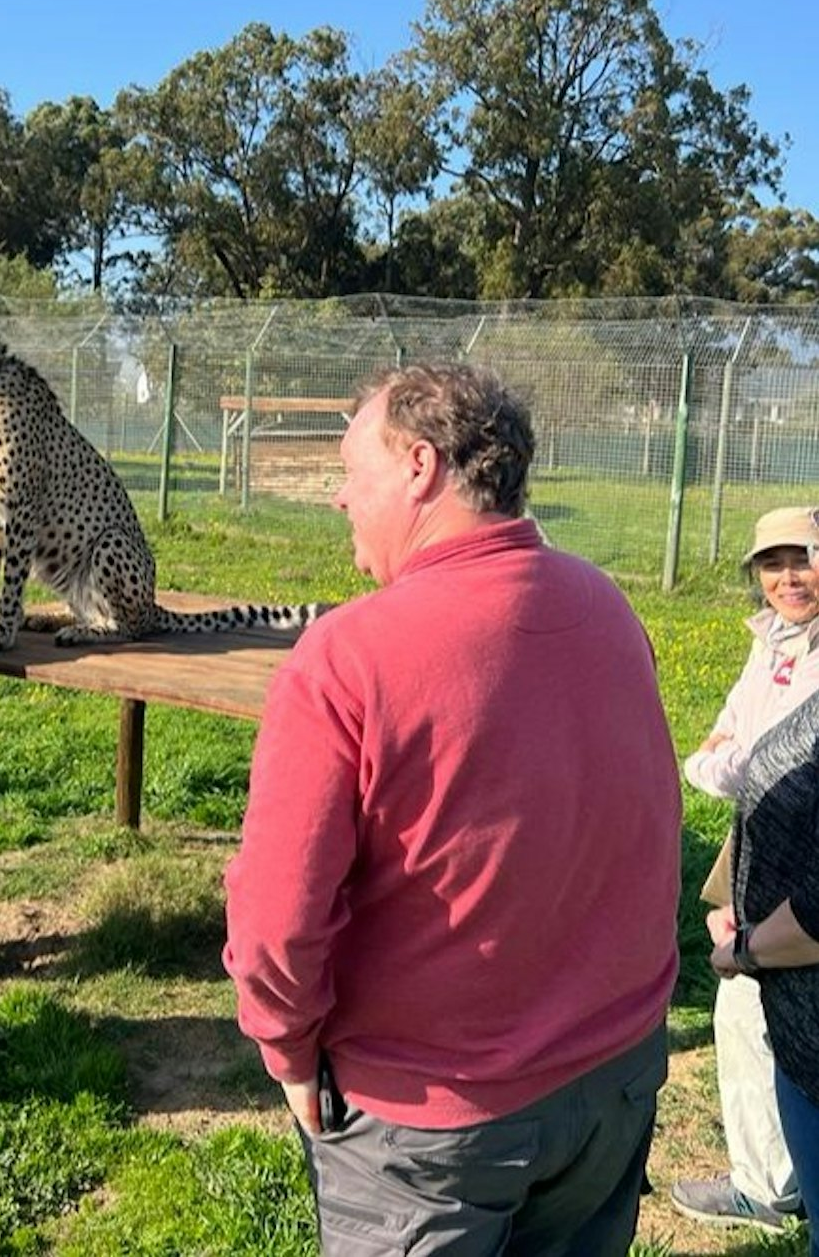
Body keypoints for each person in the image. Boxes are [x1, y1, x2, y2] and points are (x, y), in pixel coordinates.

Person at [223, 363, 681, 1256]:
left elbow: (277, 919)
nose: (338, 497)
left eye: (352, 470)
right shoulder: (609, 608)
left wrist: (284, 1048)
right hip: (613, 1078)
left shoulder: (345, 658)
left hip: (431, 1124)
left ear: (421, 468)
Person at [671, 507, 819, 1232]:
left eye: (803, 559)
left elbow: (761, 758)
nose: (787, 578)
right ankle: (771, 1174)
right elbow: (722, 742)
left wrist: (738, 758)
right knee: (744, 1014)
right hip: (757, 850)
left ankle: (769, 1188)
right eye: (772, 564)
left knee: (769, 1013)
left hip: (802, 864)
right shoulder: (770, 643)